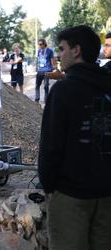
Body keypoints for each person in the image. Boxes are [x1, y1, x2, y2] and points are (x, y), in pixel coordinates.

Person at [38, 25, 111, 250]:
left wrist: (48, 185)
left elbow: (51, 145)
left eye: (62, 49)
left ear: (76, 50)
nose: (58, 55)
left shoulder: (63, 90)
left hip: (71, 196)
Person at [35, 38, 55, 103]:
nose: (40, 46)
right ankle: (36, 99)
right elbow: (38, 59)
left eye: (41, 44)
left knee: (46, 86)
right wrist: (37, 67)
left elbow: (52, 60)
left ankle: (46, 101)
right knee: (37, 85)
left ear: (44, 44)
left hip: (47, 70)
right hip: (40, 71)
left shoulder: (50, 51)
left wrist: (53, 68)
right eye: (39, 44)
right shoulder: (39, 51)